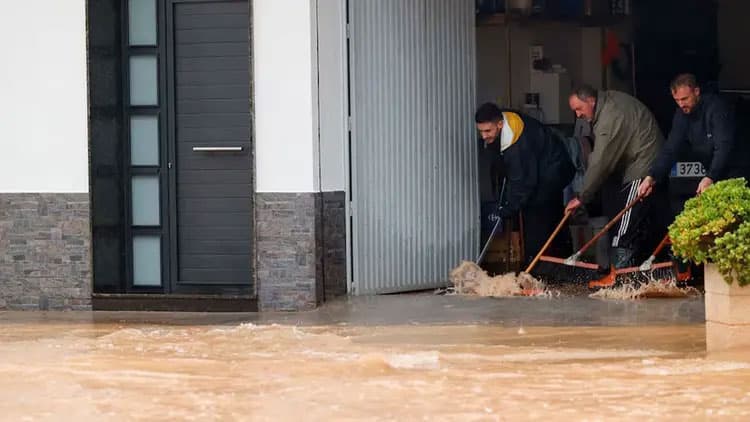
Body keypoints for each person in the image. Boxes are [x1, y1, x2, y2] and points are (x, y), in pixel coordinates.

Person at [565, 85, 666, 280]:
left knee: (623, 228)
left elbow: (600, 161)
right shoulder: (608, 103)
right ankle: (636, 275)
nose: (577, 115)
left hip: (644, 166)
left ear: (591, 101)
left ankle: (619, 278)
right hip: (639, 163)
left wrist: (581, 196)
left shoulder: (610, 117)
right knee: (635, 224)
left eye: (579, 109)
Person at [475, 103, 575, 270]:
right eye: (481, 131)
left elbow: (524, 183)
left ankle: (539, 271)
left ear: (499, 125)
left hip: (552, 170)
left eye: (487, 131)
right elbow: (505, 170)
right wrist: (504, 199)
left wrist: (509, 207)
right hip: (541, 168)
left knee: (537, 217)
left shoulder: (518, 144)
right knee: (544, 215)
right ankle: (558, 265)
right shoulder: (502, 125)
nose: (484, 136)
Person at [638, 73, 750, 198]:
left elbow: (723, 146)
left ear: (696, 91)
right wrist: (652, 176)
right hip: (715, 171)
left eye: (685, 99)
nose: (681, 104)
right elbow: (670, 149)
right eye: (677, 100)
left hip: (738, 168)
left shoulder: (716, 108)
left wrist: (710, 177)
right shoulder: (681, 114)